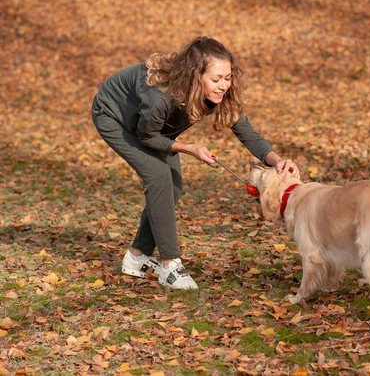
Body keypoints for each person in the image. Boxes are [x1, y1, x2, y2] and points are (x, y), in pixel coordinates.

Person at [91, 36, 299, 290]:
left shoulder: (218, 92)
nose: (223, 85)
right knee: (158, 178)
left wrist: (277, 160)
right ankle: (170, 265)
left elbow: (245, 130)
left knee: (172, 185)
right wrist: (189, 148)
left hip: (150, 126)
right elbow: (147, 137)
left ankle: (137, 257)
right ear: (194, 76)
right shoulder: (160, 97)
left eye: (228, 77)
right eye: (215, 79)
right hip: (114, 116)